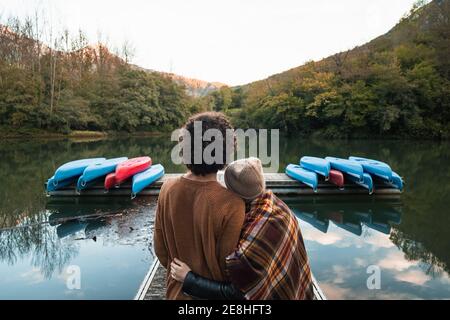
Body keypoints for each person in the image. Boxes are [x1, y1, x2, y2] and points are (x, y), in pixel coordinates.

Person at [170, 158, 315, 300]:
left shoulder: (254, 232)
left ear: (233, 193)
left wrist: (189, 278)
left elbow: (237, 293)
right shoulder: (279, 207)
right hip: (295, 291)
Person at [153, 112, 246, 300]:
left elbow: (161, 251)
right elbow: (228, 268)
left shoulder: (167, 189)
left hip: (176, 293)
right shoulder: (233, 204)